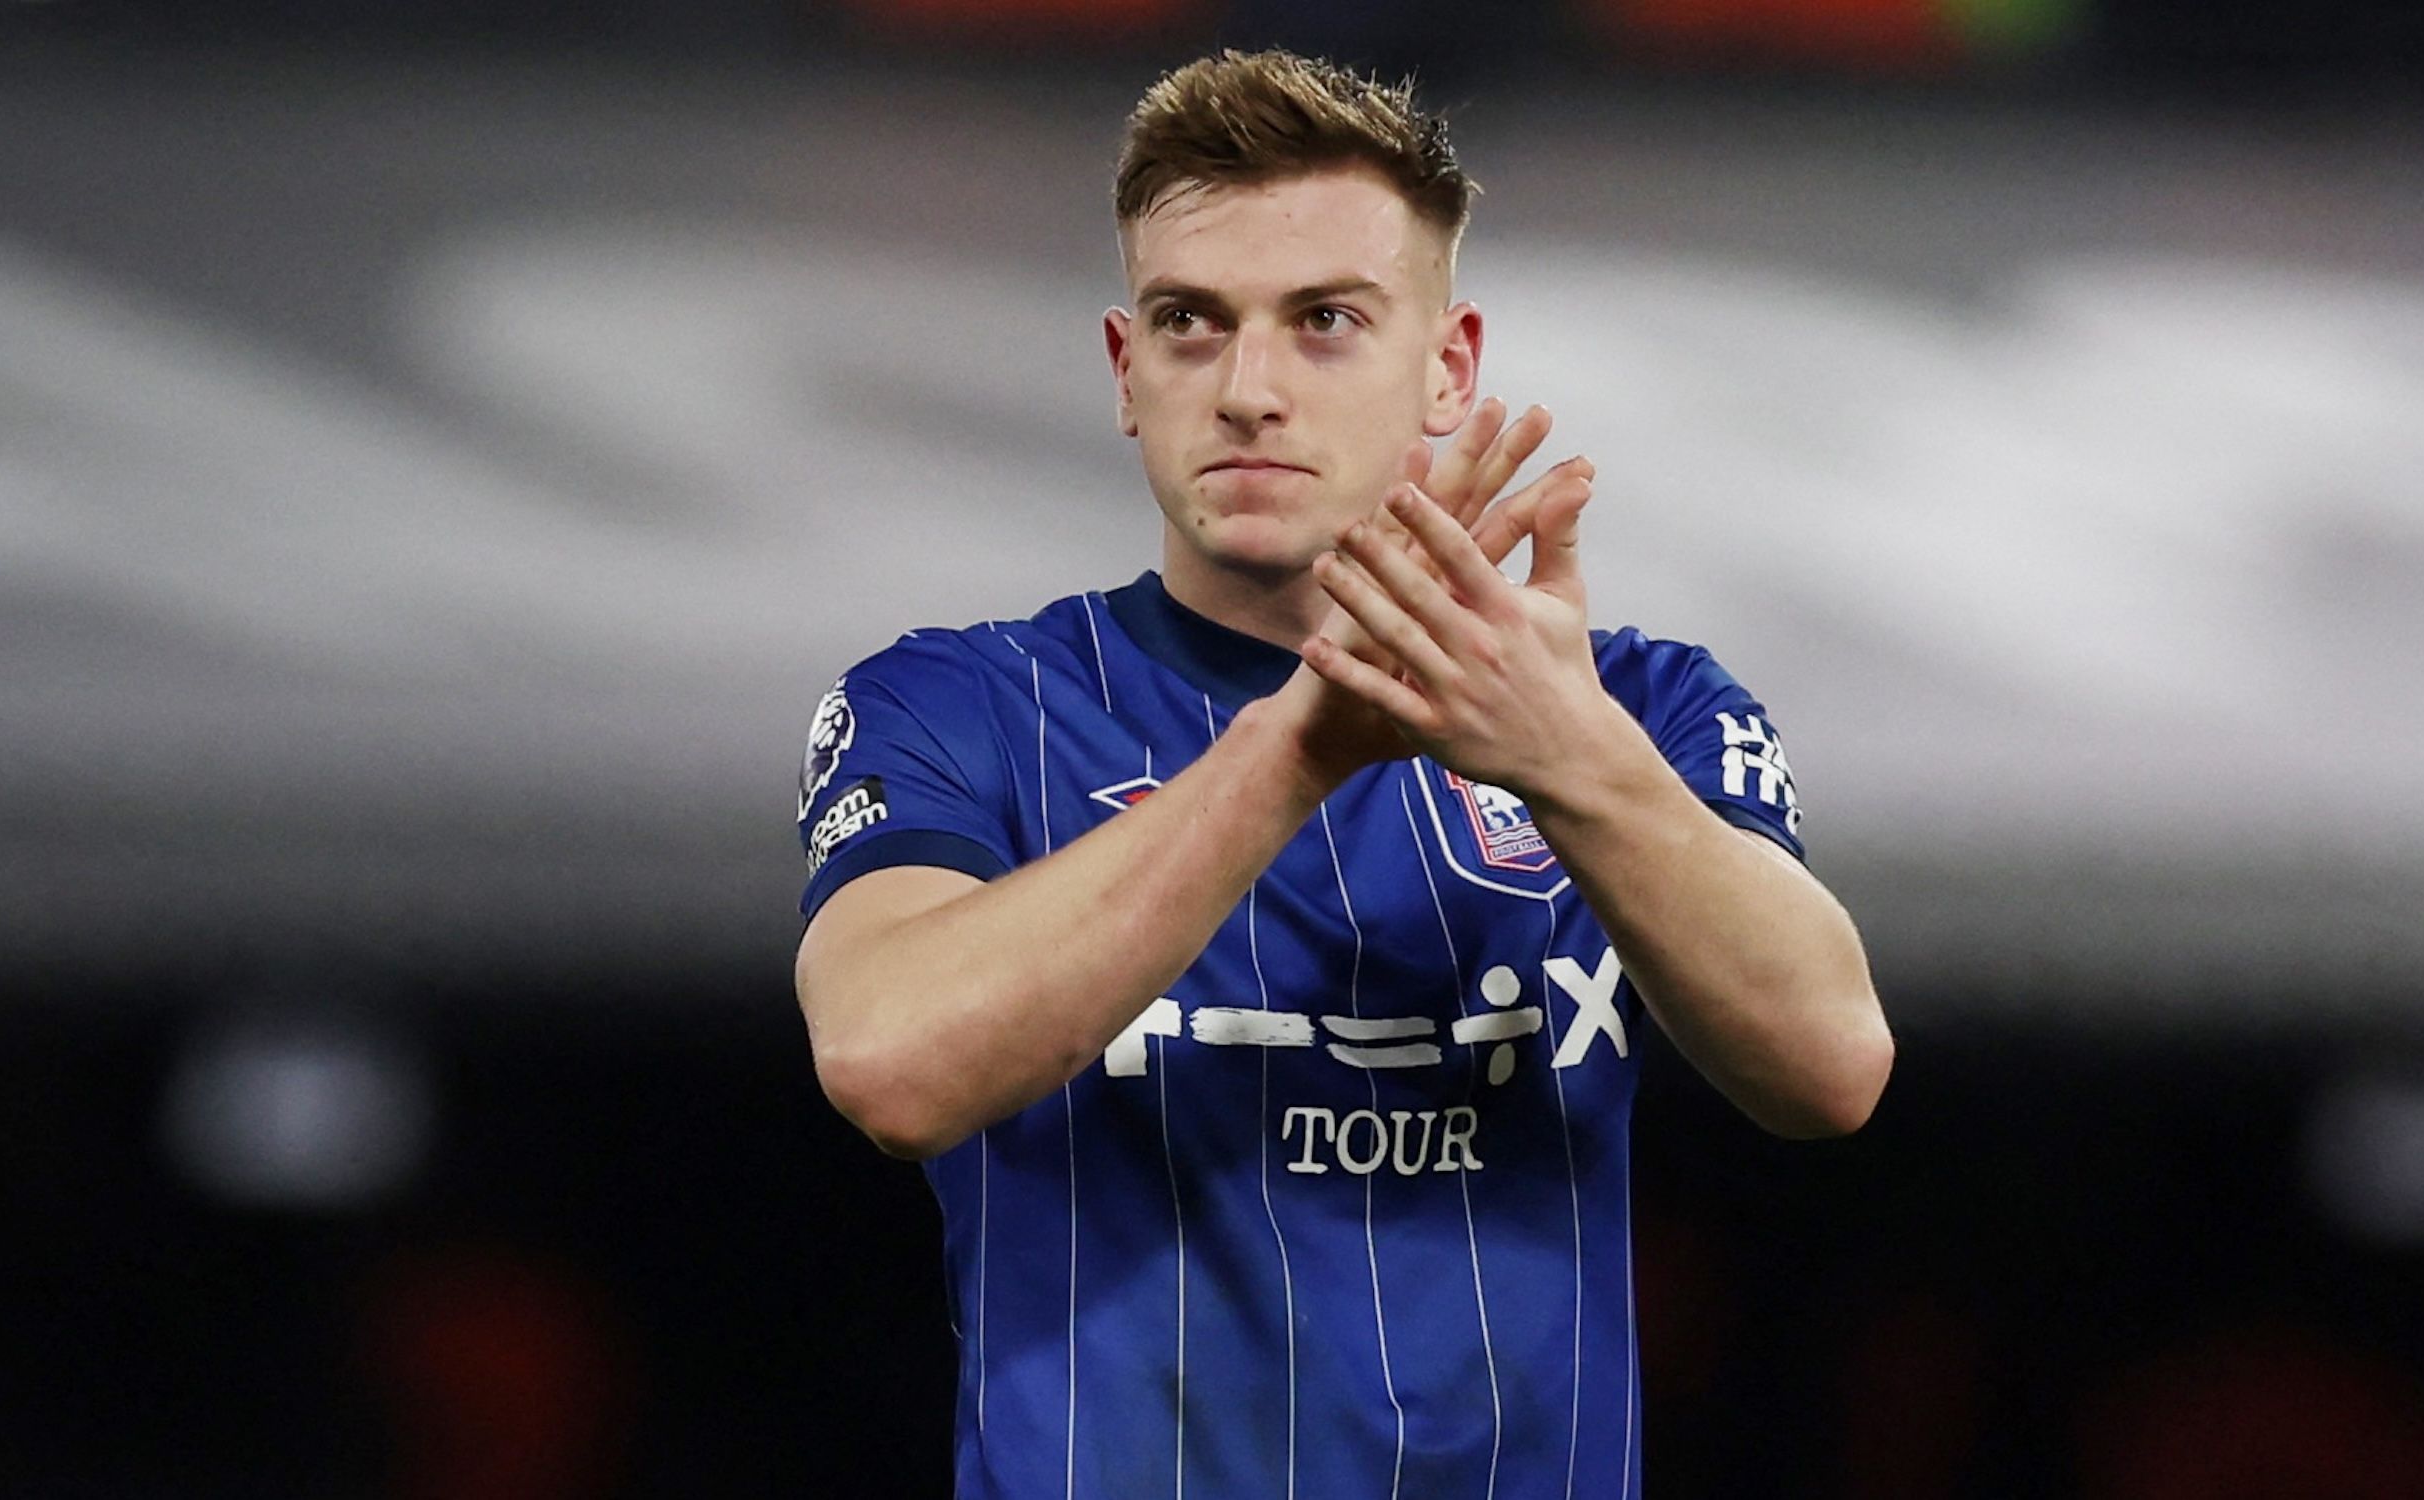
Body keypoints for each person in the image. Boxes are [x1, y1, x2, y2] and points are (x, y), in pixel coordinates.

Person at [791, 49, 1891, 1499]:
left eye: (1325, 322)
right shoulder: (957, 708)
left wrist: (1574, 763)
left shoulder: (1642, 709)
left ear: (1447, 365)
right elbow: (890, 1065)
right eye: (1192, 324)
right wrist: (1299, 746)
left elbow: (1830, 1064)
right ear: (1128, 372)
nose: (1249, 388)